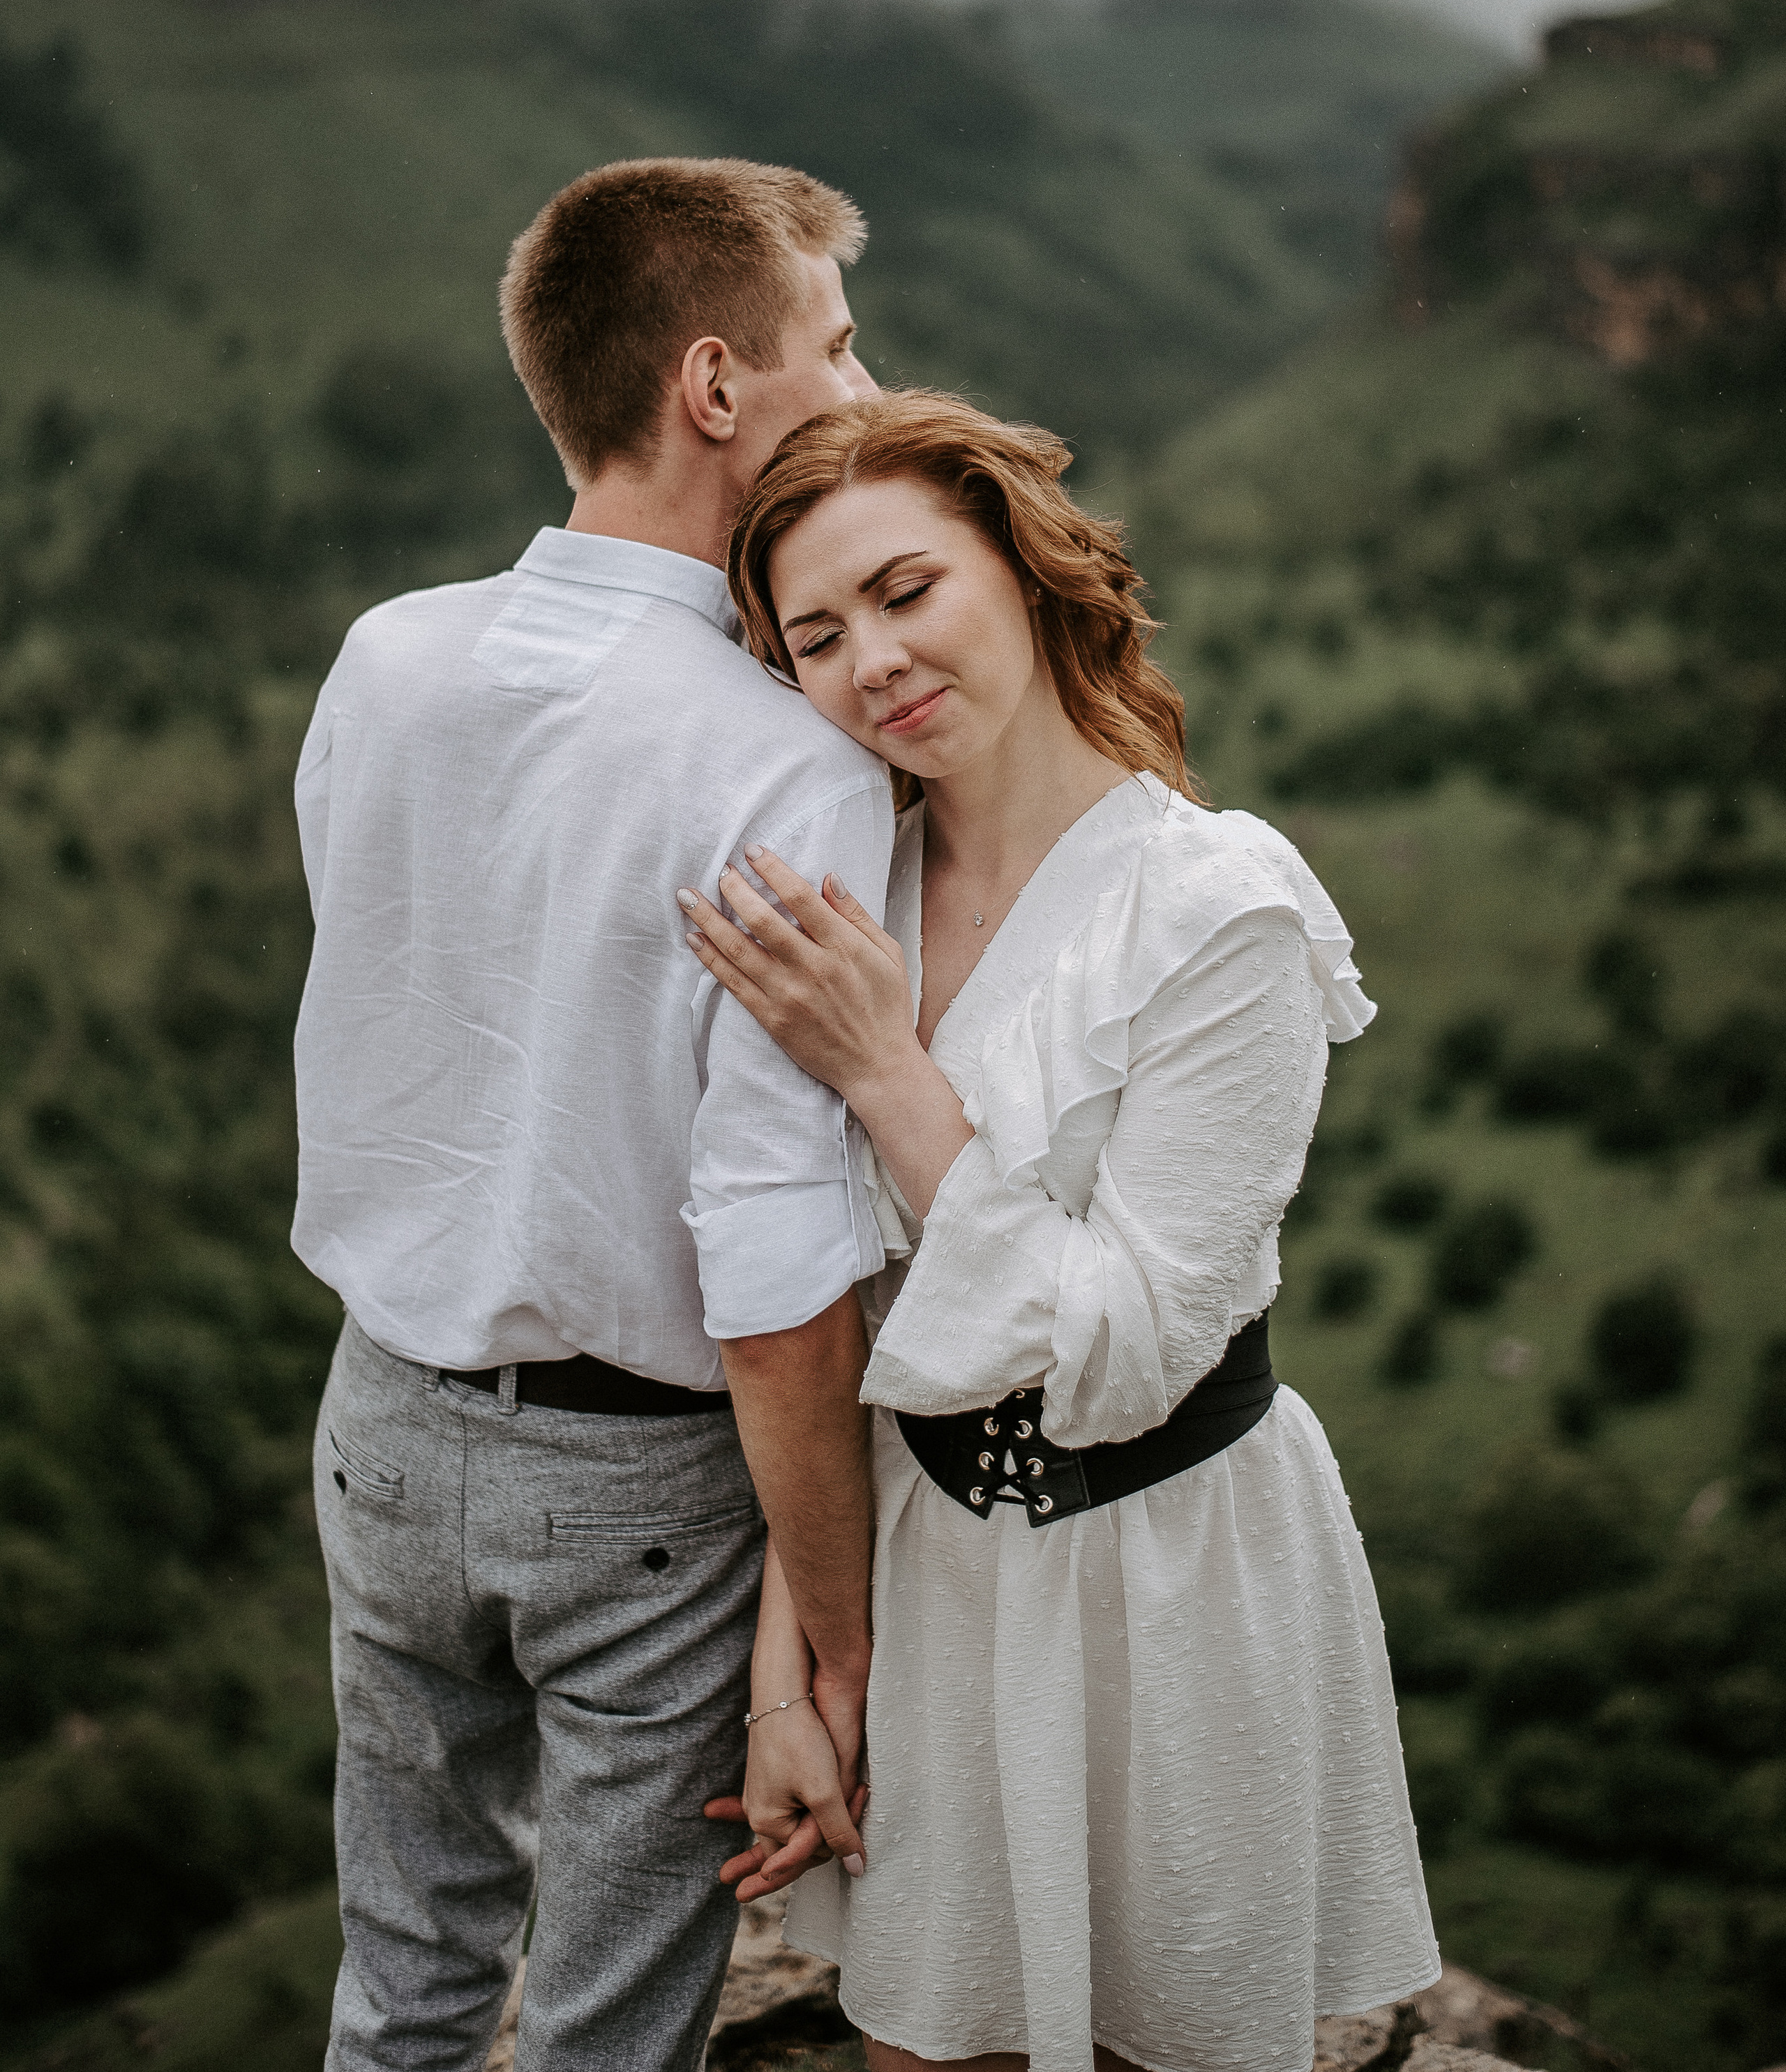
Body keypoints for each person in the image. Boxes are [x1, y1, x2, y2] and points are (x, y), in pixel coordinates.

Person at [677, 391, 1441, 2072]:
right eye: (812, 636)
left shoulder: (1215, 907)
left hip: (1169, 1574)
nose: (868, 661)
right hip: (933, 1564)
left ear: (1021, 572)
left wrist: (887, 1070)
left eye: (903, 590)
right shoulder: (838, 900)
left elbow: (1129, 1346)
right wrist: (786, 1686)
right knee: (923, 2054)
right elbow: (821, 1322)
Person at [291, 157, 894, 2072]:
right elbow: (778, 1262)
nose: (868, 391)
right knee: (609, 2038)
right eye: (837, 344)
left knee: (403, 1987)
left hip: (380, 1415)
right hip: (642, 1481)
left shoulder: (387, 659)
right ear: (715, 385)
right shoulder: (787, 763)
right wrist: (839, 1627)